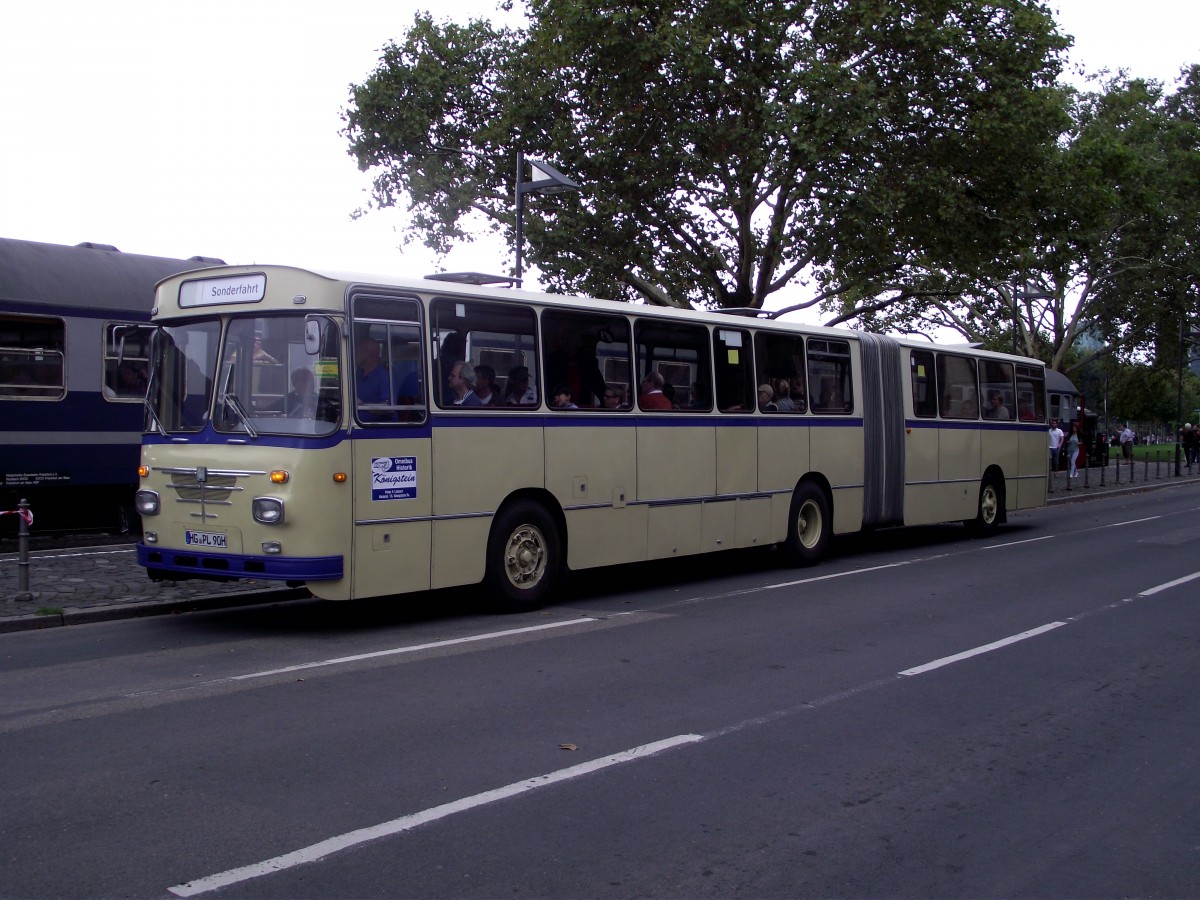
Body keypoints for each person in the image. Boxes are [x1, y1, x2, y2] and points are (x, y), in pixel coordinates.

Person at [356, 335, 392, 419]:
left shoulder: (384, 377)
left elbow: (389, 408)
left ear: (370, 354)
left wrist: (362, 405)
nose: (355, 355)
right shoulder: (358, 374)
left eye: (358, 352)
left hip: (375, 429)